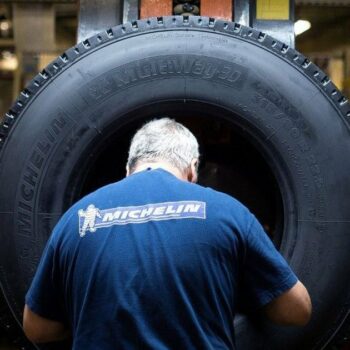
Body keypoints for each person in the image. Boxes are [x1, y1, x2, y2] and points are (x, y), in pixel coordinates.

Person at [23, 118, 311, 349]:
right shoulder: (228, 212)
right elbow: (297, 310)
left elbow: (37, 328)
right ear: (192, 170)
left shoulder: (78, 217)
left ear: (127, 169)